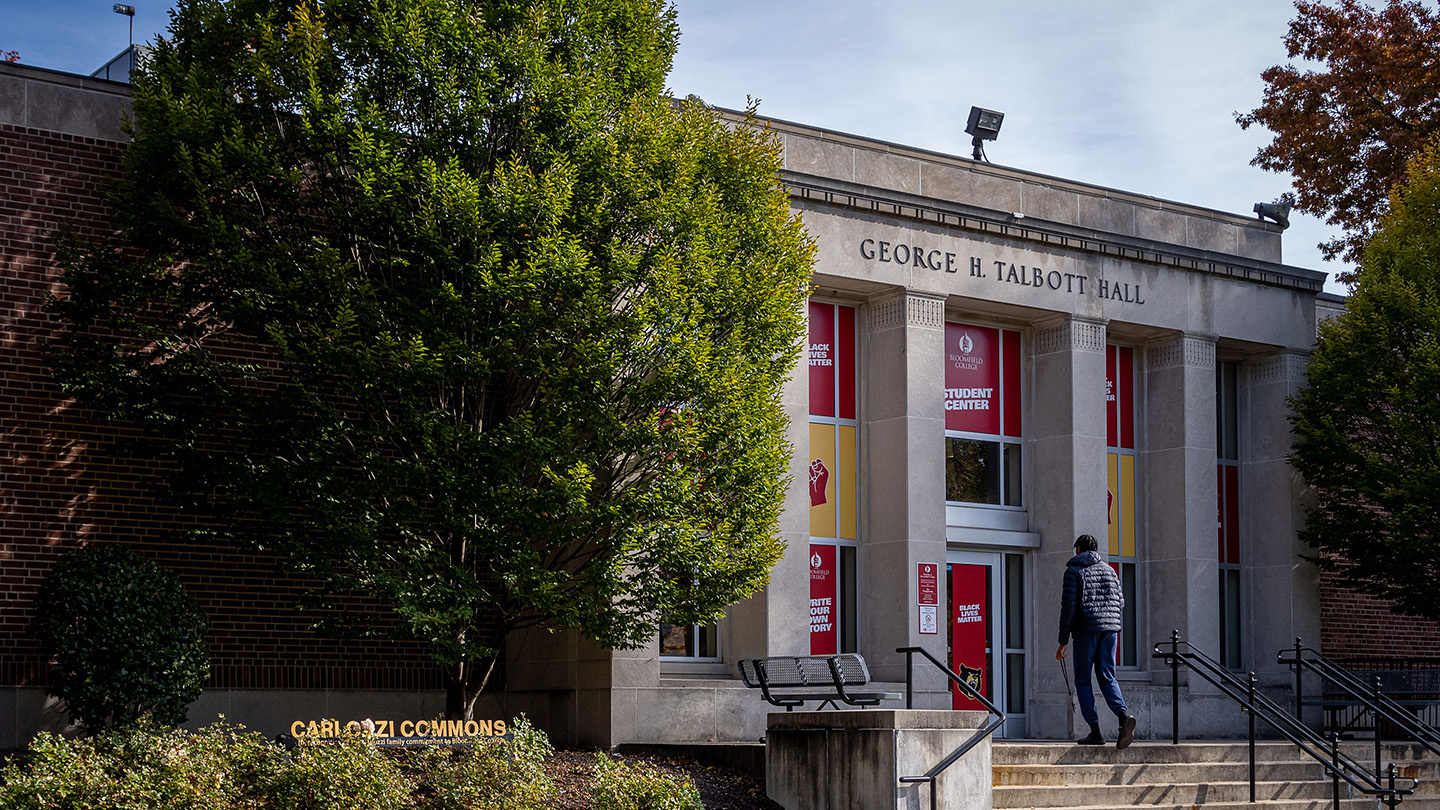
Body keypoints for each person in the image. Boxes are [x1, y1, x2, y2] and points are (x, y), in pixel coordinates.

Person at [1057, 533, 1137, 748]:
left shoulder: (1073, 571)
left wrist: (1063, 641)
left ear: (1079, 549)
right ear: (1096, 550)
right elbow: (1120, 602)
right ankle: (1123, 716)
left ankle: (1095, 731)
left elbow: (1068, 608)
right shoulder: (1110, 570)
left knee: (1083, 680)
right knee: (1107, 676)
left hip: (1086, 630)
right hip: (1110, 630)